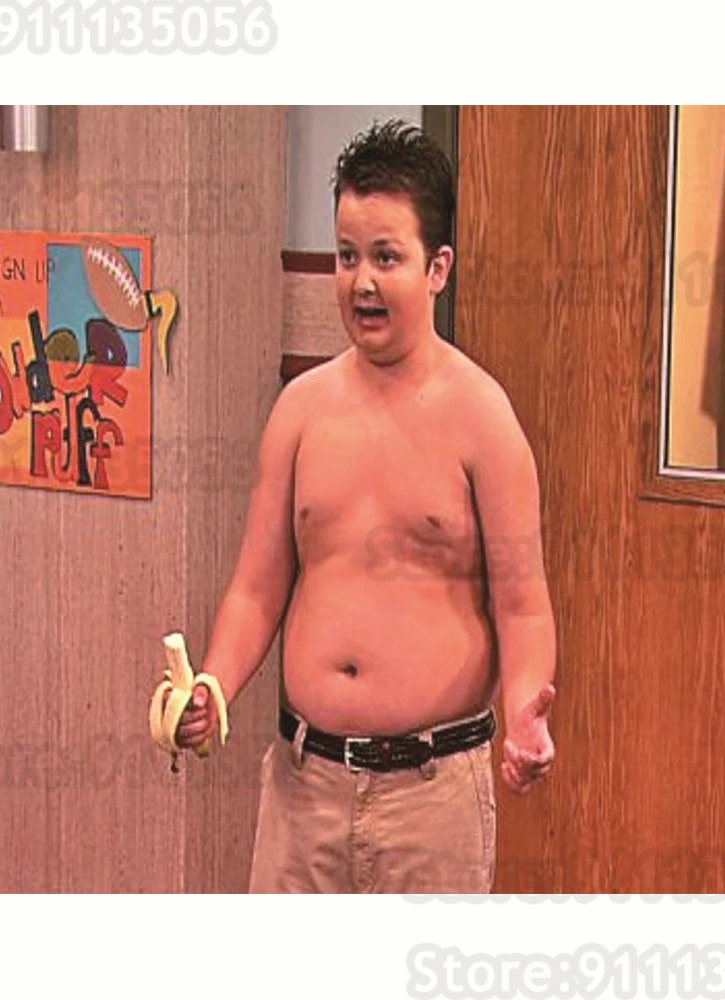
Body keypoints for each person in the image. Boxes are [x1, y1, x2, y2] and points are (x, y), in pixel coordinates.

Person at [173, 119, 556, 893]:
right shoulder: (300, 410)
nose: (361, 282)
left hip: (432, 799)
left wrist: (523, 712)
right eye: (347, 257)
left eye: (387, 257)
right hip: (302, 788)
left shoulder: (483, 418)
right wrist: (213, 685)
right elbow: (256, 588)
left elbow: (523, 606)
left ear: (437, 268)